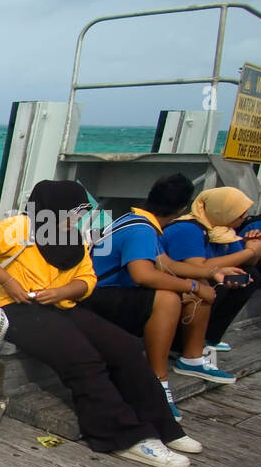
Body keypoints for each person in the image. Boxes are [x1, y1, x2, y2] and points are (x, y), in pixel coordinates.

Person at [0, 179, 199, 467]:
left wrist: (63, 291)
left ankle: (162, 425)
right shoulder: (19, 228)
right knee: (82, 358)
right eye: (72, 211)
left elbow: (87, 279)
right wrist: (10, 281)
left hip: (60, 304)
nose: (77, 217)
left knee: (123, 348)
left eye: (80, 211)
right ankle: (123, 436)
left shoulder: (76, 236)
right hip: (15, 306)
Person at [81, 173, 235, 420]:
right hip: (97, 297)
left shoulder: (136, 220)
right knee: (168, 297)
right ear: (183, 208)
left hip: (108, 293)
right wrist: (192, 286)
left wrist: (212, 273)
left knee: (192, 290)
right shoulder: (142, 230)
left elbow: (164, 265)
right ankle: (157, 383)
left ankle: (192, 359)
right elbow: (143, 275)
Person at [160, 187, 260, 363]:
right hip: (174, 283)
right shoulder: (188, 229)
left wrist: (255, 245)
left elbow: (246, 263)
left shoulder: (223, 231)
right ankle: (180, 344)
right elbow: (198, 267)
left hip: (199, 278)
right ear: (223, 211)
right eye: (240, 215)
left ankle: (209, 336)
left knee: (250, 275)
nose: (244, 219)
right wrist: (249, 252)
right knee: (211, 282)